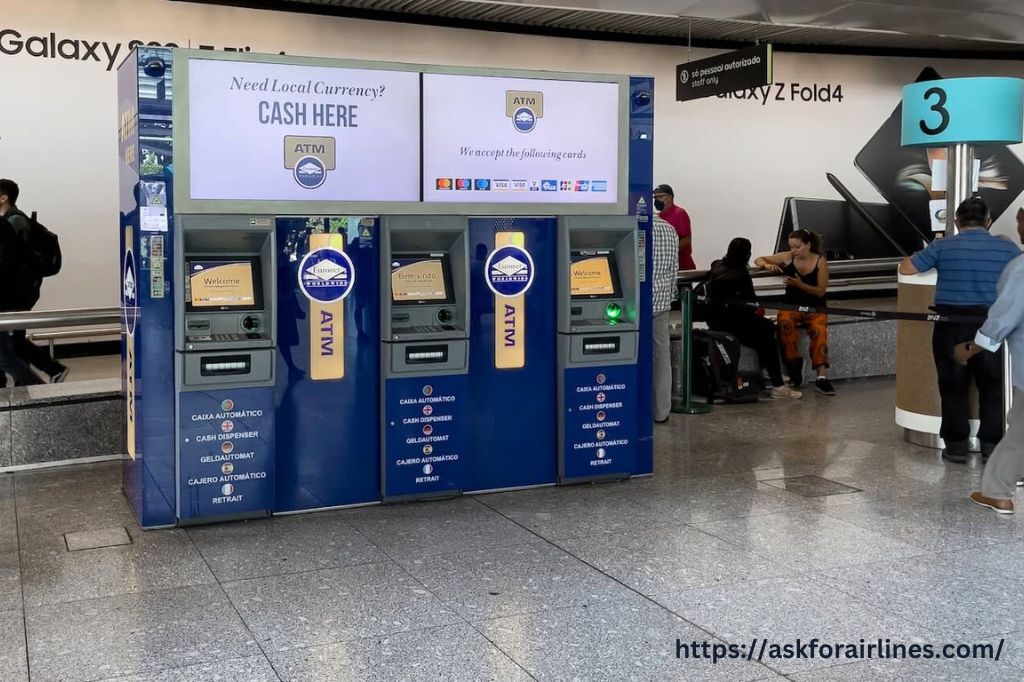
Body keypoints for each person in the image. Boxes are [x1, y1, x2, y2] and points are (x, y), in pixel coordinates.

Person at [899, 197, 1020, 464]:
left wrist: (933, 247)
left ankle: (955, 447)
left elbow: (906, 268)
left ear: (956, 221)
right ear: (988, 222)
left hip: (950, 326)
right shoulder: (1006, 247)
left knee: (952, 386)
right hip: (991, 327)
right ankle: (992, 446)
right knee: (993, 388)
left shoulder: (943, 246)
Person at [954, 208, 1024, 513]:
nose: (1018, 229)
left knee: (1021, 432)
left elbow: (1004, 316)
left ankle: (996, 492)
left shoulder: (1021, 269)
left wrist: (972, 346)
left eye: (1022, 223)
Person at [706, 238, 801, 399]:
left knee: (764, 329)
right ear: (747, 255)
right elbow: (751, 303)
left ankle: (769, 370)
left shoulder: (717, 265)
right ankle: (777, 384)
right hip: (734, 321)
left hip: (715, 319)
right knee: (767, 335)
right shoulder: (741, 275)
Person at [0, 179, 68, 384]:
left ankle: (39, 379)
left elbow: (14, 261)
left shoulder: (15, 222)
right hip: (15, 292)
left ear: (4, 198)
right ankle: (47, 372)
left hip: (15, 293)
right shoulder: (10, 220)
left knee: (9, 347)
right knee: (12, 343)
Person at [754, 229, 835, 396]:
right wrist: (767, 265)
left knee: (819, 331)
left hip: (815, 306)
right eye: (791, 247)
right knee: (784, 323)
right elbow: (758, 259)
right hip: (791, 305)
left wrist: (799, 285)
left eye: (797, 247)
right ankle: (793, 365)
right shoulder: (787, 257)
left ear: (808, 245)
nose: (794, 251)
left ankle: (821, 377)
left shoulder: (821, 262)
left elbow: (820, 291)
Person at [652, 214, 679, 423]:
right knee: (661, 357)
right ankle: (661, 411)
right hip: (661, 303)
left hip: (633, 305)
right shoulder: (669, 229)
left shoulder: (633, 224)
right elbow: (674, 269)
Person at [653, 184, 695, 271]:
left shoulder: (679, 213)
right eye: (655, 198)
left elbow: (685, 241)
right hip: (666, 268)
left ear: (670, 197)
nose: (657, 200)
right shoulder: (658, 217)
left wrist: (666, 254)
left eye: (660, 197)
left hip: (682, 267)